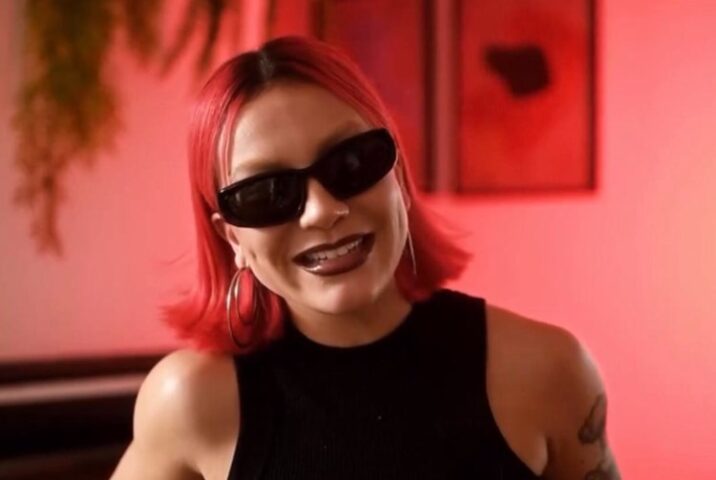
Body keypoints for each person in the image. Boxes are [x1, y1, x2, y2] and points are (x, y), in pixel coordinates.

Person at [112, 36, 620, 480]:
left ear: (397, 174)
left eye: (351, 162)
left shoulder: (547, 370)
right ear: (232, 239)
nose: (322, 210)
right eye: (266, 193)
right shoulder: (191, 403)